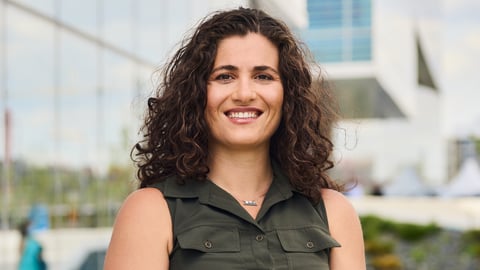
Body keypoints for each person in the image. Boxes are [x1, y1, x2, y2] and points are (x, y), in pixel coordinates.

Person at [104, 7, 365, 270]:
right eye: (224, 76)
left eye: (263, 76)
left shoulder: (333, 213)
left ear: (287, 95)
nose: (244, 93)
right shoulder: (150, 211)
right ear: (196, 93)